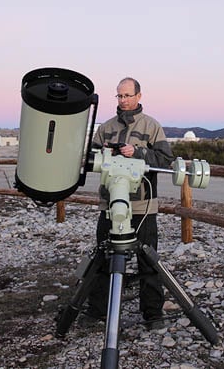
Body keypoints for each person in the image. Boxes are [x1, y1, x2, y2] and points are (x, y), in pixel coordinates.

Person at [85, 77, 174, 328]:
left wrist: (138, 153)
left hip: (142, 207)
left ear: (138, 96)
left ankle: (153, 314)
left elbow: (165, 160)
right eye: (119, 96)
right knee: (102, 258)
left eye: (127, 95)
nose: (123, 100)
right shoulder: (106, 128)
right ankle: (97, 311)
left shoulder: (151, 126)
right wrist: (102, 152)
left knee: (148, 262)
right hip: (110, 206)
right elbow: (90, 159)